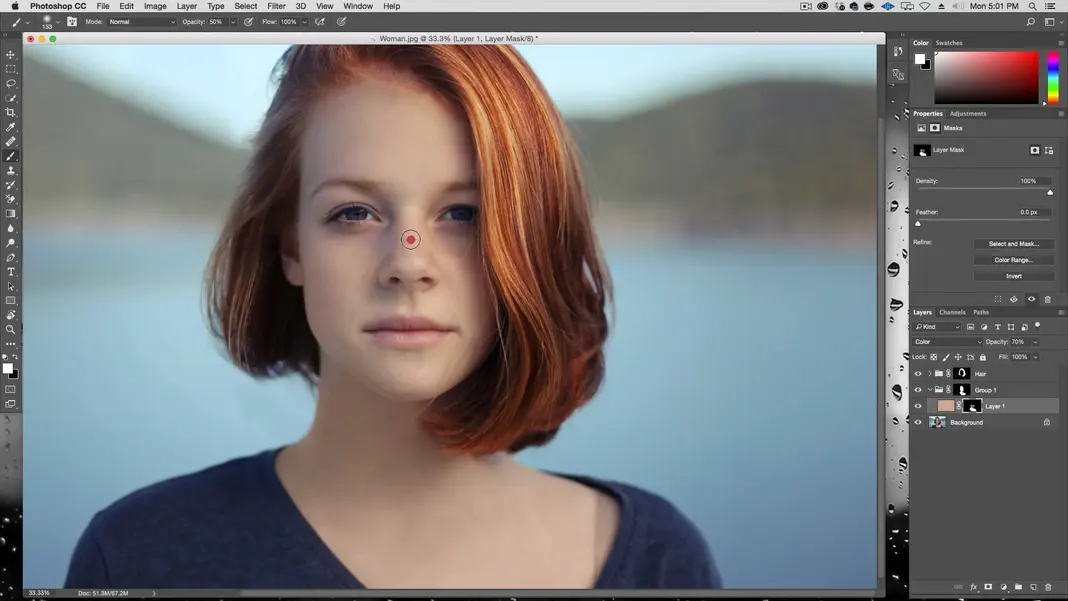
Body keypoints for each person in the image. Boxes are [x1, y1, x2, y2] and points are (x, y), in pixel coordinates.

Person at [64, 45, 721, 590]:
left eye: (463, 214)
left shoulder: (657, 561)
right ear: (291, 246)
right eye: (354, 213)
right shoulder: (137, 555)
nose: (408, 265)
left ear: (527, 240)